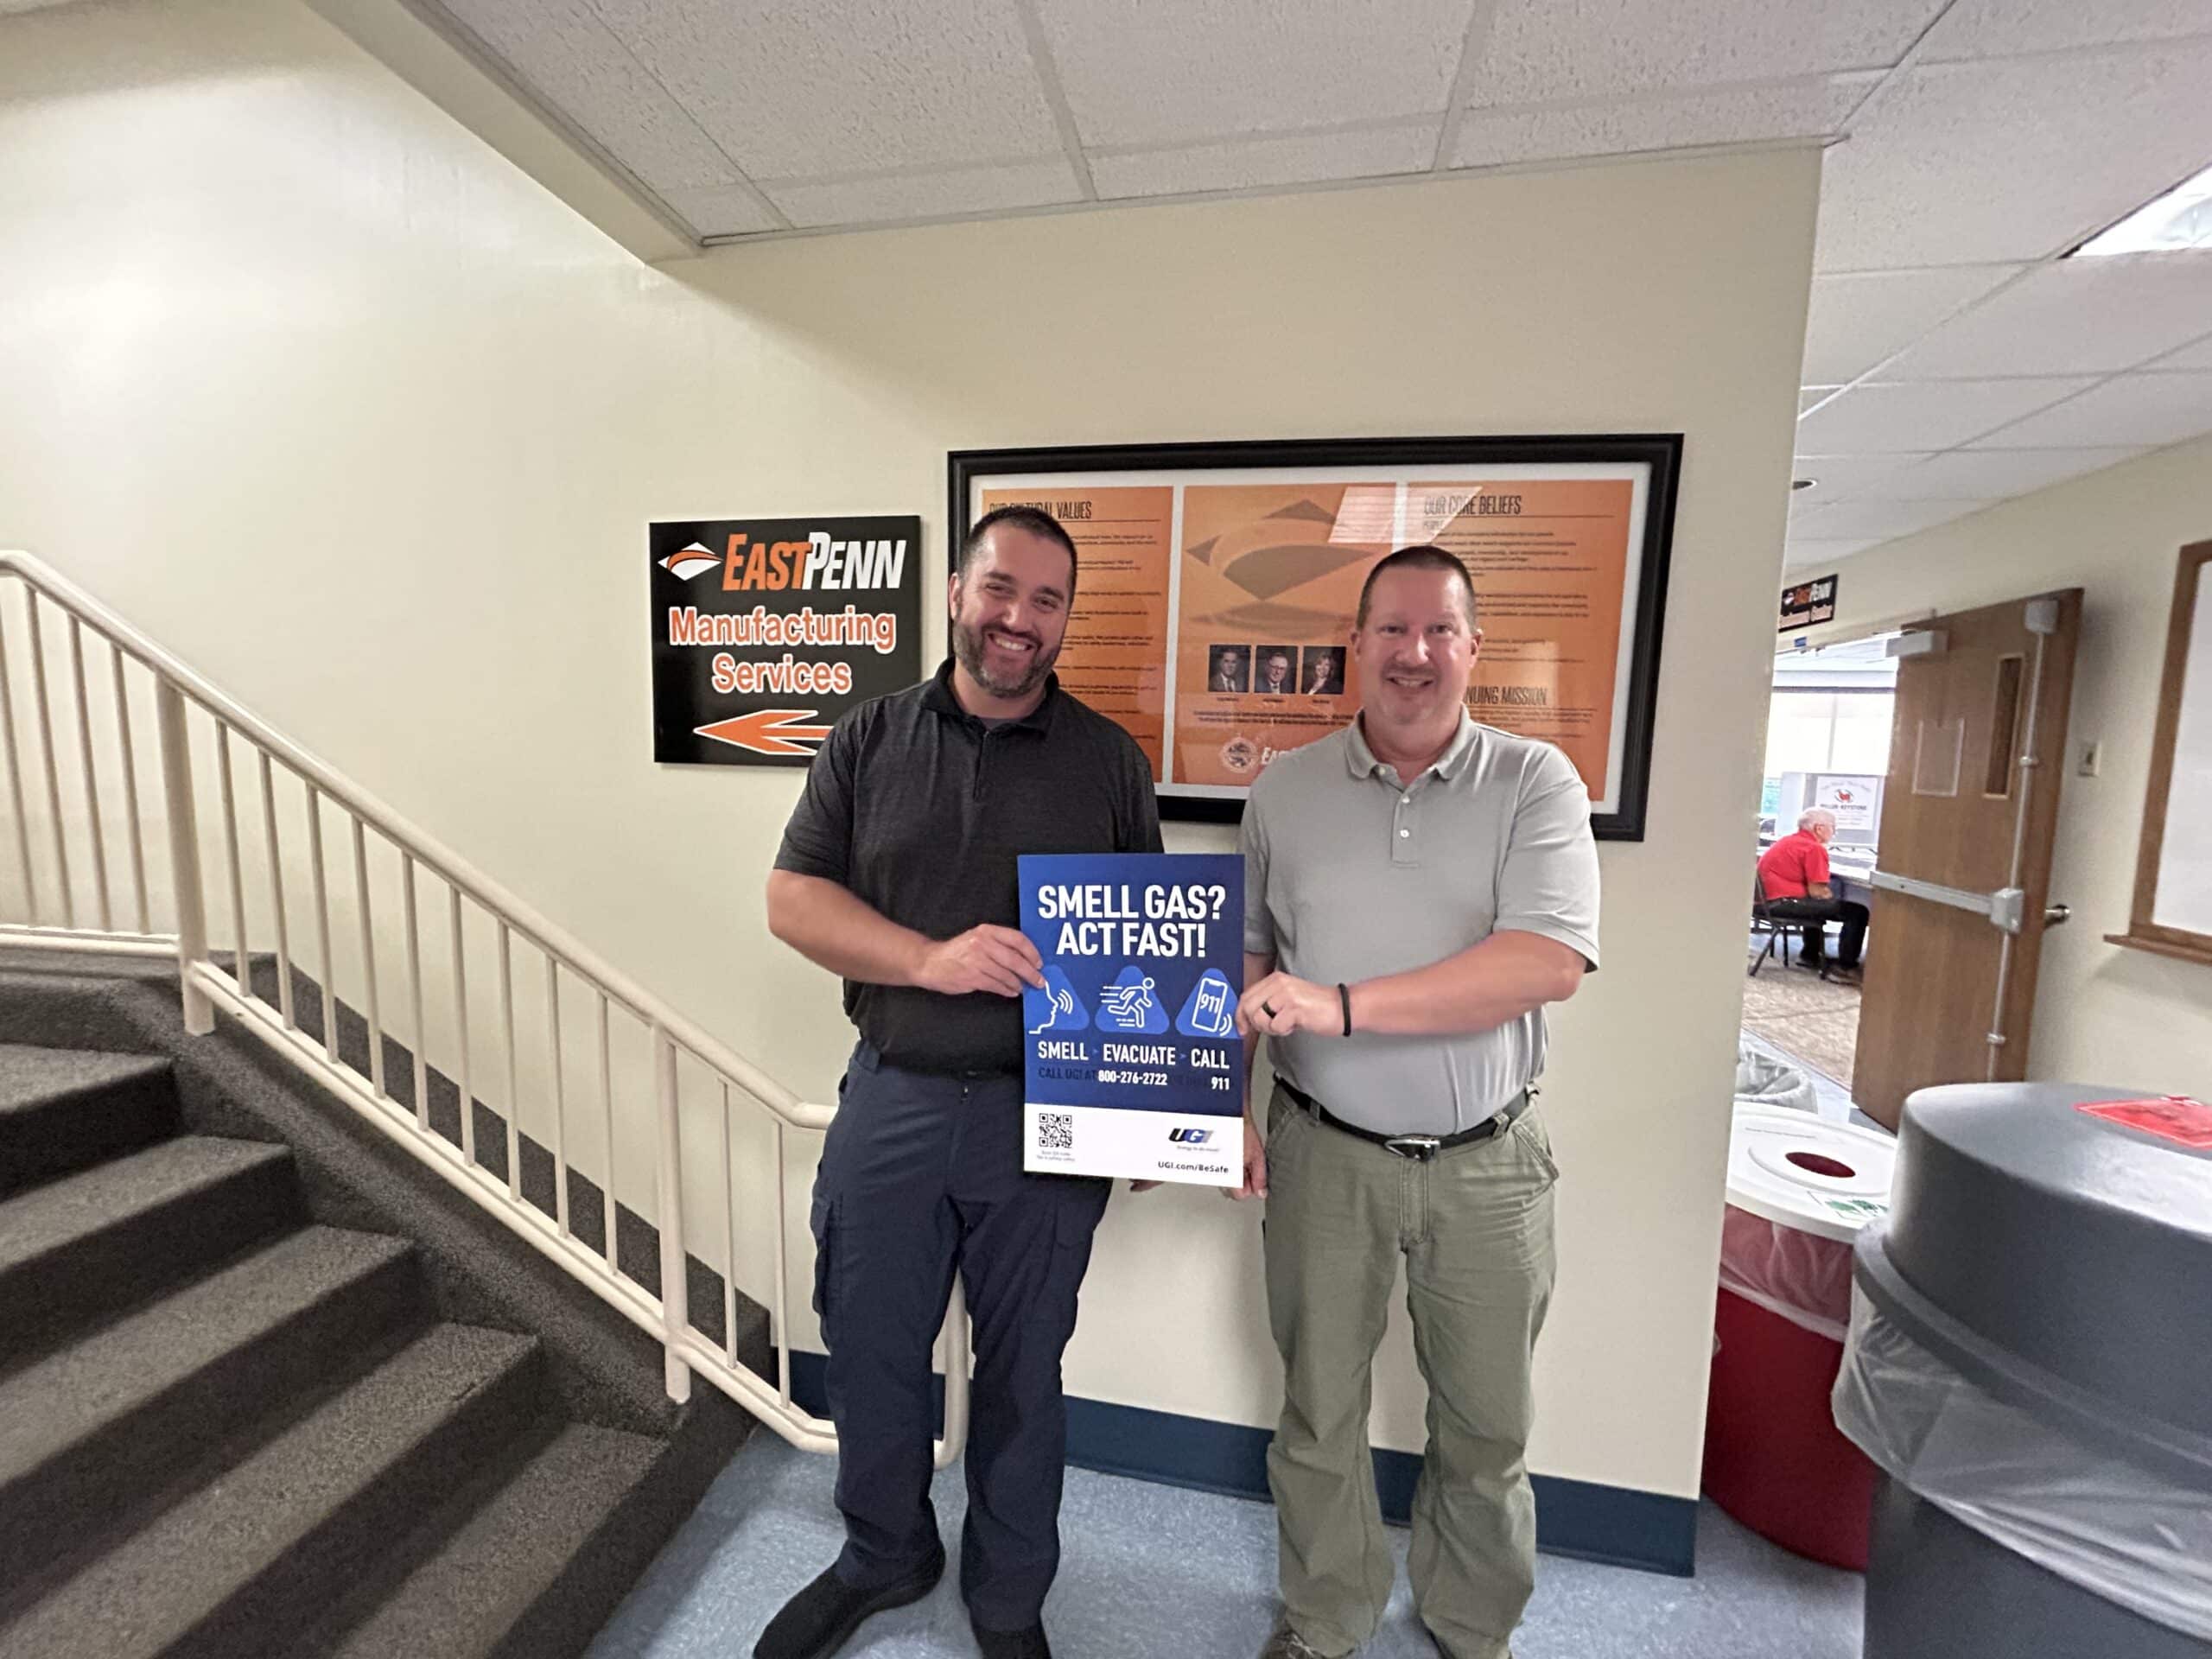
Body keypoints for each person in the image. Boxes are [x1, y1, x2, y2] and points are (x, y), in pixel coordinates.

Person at [760, 505, 1161, 1659]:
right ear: (953, 592)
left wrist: (1148, 1118)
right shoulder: (868, 739)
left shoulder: (1108, 763)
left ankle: (1007, 1600)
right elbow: (794, 901)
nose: (1019, 620)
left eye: (1048, 602)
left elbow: (1148, 945)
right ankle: (884, 1554)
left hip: (1046, 1115)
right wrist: (931, 960)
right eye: (1001, 590)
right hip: (894, 1095)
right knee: (873, 1345)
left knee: (1025, 1370)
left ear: (1066, 619)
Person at [1234, 545, 1598, 1659]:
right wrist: (1218, 1110)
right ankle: (1324, 1616)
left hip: (1487, 1167)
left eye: (1439, 630)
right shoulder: (1280, 791)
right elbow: (1248, 965)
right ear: (1354, 646)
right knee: (1318, 1415)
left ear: (1473, 649)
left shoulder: (1536, 782)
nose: (1414, 653)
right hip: (1320, 1156)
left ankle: (1470, 1625)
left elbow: (1542, 964)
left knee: (1488, 1427)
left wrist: (1342, 1006)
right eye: (1391, 629)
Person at [1756, 808, 1867, 979]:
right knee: (1857, 912)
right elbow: (1817, 892)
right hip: (1784, 904)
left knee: (1815, 905)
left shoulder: (1786, 841)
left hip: (1765, 903)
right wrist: (1830, 896)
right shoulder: (1813, 848)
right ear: (1819, 828)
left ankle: (1809, 955)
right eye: (1833, 827)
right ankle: (1845, 966)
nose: (1834, 832)